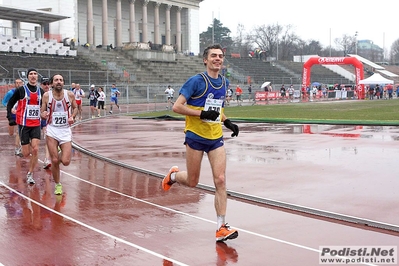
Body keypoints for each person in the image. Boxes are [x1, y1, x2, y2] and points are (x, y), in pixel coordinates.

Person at [161, 44, 239, 242]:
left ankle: (221, 227)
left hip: (215, 138)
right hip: (195, 136)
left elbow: (217, 109)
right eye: (213, 56)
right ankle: (174, 175)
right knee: (193, 181)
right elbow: (177, 107)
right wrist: (201, 113)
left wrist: (227, 121)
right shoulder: (196, 81)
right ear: (205, 60)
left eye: (220, 56)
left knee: (220, 179)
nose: (218, 59)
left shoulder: (224, 82)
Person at [40, 74, 78, 195]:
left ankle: (57, 155)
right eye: (56, 80)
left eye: (61, 80)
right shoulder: (47, 96)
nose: (59, 82)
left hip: (65, 130)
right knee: (55, 160)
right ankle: (57, 185)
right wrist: (43, 114)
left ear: (63, 83)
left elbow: (75, 107)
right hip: (52, 130)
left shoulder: (69, 95)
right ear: (52, 83)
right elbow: (42, 111)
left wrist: (72, 116)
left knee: (66, 161)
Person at [7, 68, 45, 184]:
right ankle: (27, 163)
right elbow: (10, 103)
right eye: (31, 74)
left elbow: (46, 106)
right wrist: (10, 116)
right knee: (25, 153)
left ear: (37, 77)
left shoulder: (41, 92)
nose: (33, 76)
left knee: (35, 148)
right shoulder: (21, 90)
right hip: (24, 125)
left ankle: (30, 173)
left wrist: (45, 113)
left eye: (35, 74)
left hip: (36, 124)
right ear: (28, 77)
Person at [3, 78, 24, 156]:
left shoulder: (24, 92)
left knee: (19, 131)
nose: (18, 84)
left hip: (21, 114)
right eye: (17, 83)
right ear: (15, 84)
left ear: (22, 83)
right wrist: (10, 108)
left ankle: (18, 148)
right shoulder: (10, 92)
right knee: (11, 133)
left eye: (20, 82)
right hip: (12, 114)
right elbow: (4, 101)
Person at [40, 76, 52, 169]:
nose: (46, 86)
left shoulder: (53, 94)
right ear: (41, 85)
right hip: (35, 119)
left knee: (47, 138)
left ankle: (47, 159)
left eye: (48, 84)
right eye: (44, 84)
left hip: (47, 120)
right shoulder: (37, 93)